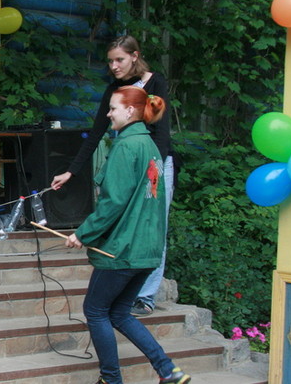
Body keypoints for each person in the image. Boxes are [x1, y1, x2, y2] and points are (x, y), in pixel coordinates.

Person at [64, 86, 189, 384]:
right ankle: (168, 370)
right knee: (119, 313)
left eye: (112, 108)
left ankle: (111, 379)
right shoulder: (151, 147)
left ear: (130, 111)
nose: (108, 114)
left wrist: (83, 233)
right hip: (146, 249)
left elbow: (113, 201)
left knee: (95, 311)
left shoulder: (126, 146)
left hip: (123, 249)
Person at [51, 35, 173, 317]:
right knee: (124, 219)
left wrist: (154, 172)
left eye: (119, 59)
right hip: (126, 159)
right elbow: (96, 133)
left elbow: (163, 134)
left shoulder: (156, 83)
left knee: (153, 222)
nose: (114, 65)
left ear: (134, 56)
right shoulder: (113, 90)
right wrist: (71, 170)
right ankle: (124, 288)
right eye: (110, 61)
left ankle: (145, 296)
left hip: (155, 162)